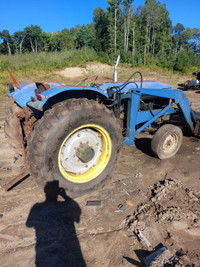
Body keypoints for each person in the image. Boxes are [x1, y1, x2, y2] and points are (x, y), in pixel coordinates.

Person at [26, 181, 86, 267]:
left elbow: (29, 224)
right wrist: (65, 196)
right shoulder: (62, 206)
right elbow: (76, 211)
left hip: (46, 248)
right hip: (65, 245)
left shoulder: (37, 207)